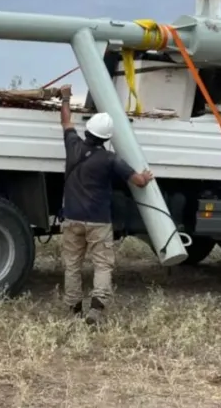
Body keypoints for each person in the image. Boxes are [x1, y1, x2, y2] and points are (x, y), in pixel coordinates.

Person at [57, 85, 154, 325]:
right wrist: (146, 176)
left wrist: (66, 98)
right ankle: (96, 310)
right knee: (102, 265)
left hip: (72, 217)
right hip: (98, 220)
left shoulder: (73, 145)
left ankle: (75, 309)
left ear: (88, 130)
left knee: (72, 266)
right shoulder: (111, 159)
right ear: (108, 138)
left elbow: (66, 121)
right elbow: (138, 182)